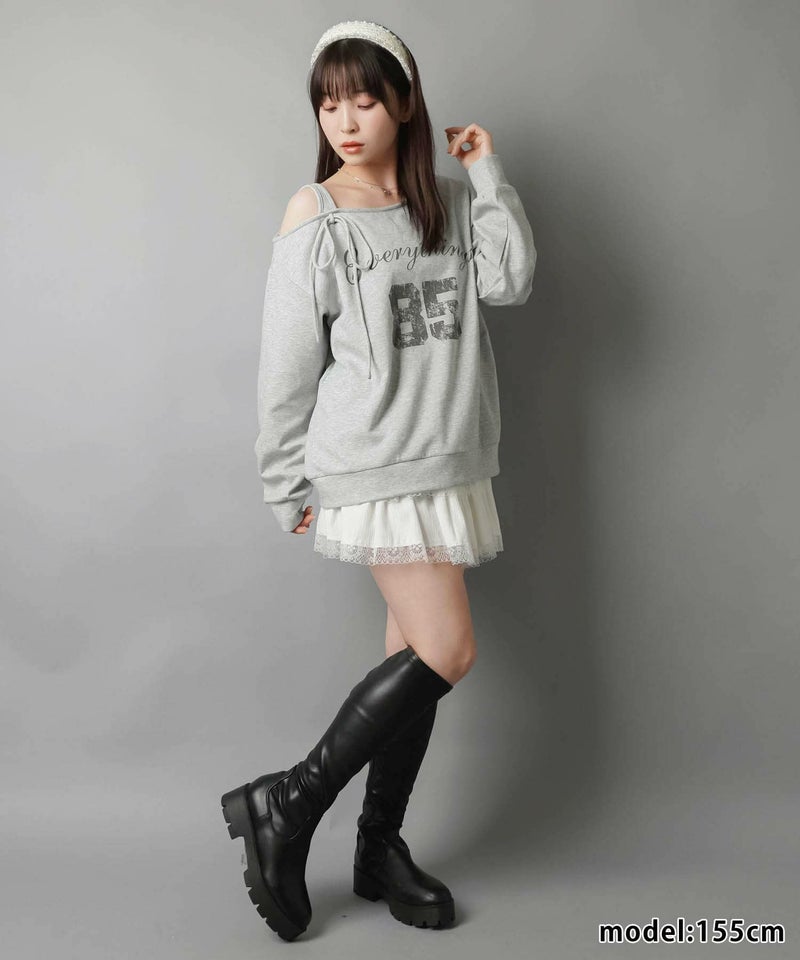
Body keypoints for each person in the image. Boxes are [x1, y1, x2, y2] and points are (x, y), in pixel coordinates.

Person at [221, 19, 537, 942]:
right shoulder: (316, 214)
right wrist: (284, 479)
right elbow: (287, 364)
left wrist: (487, 172)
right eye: (329, 104)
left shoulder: (447, 201)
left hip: (448, 459)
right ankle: (286, 804)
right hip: (373, 462)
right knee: (447, 651)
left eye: (364, 99)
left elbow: (512, 279)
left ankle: (377, 849)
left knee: (412, 659)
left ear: (404, 102)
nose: (346, 121)